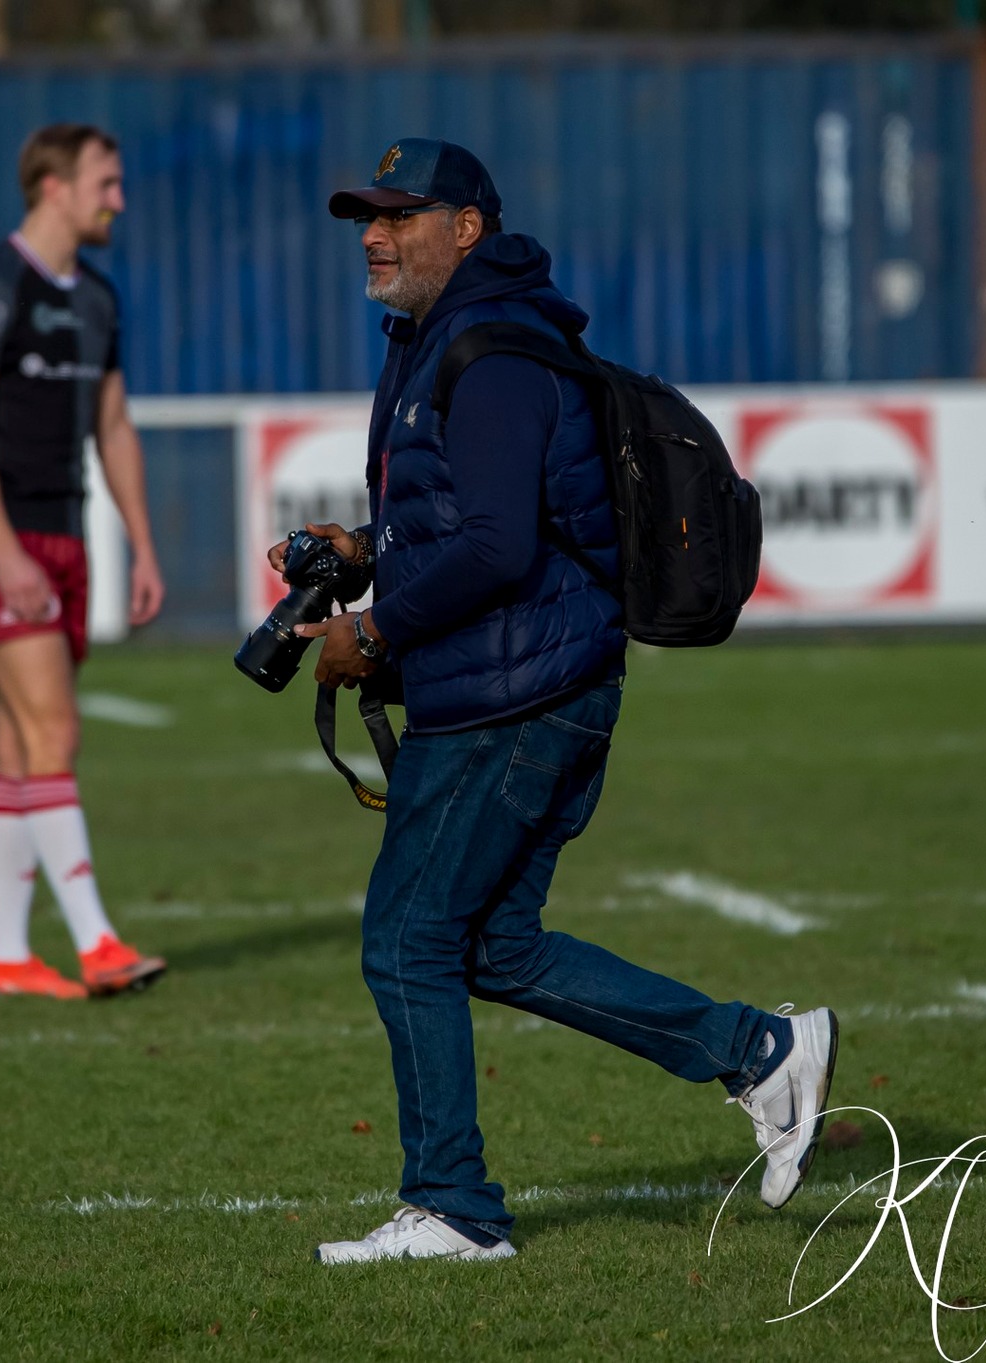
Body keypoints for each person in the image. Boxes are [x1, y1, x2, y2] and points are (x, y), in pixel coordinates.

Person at [277, 139, 840, 1263]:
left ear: (466, 228)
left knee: (406, 941)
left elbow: (493, 546)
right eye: (364, 219)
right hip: (539, 683)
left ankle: (451, 1205)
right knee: (489, 943)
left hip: (512, 695)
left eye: (400, 214)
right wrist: (360, 546)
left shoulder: (489, 352)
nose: (373, 236)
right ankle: (760, 1053)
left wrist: (372, 630)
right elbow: (471, 516)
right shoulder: (451, 335)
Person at [0, 123, 167, 1001]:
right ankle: (96, 941)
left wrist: (142, 542)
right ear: (52, 187)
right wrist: (3, 551)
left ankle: (6, 955)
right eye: (105, 181)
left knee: (17, 746)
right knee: (55, 734)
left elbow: (112, 427)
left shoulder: (100, 299)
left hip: (67, 538)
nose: (118, 198)